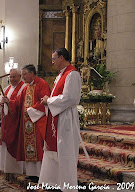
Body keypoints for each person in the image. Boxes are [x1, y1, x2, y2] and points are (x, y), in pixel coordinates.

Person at [39, 48, 81, 191]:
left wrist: (49, 101)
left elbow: (71, 98)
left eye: (53, 59)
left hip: (66, 118)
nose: (52, 62)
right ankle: (54, 182)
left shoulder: (72, 74)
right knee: (56, 151)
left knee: (66, 152)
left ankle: (67, 186)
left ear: (61, 58)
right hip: (58, 116)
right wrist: (48, 101)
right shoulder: (61, 75)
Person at [0, 64, 50, 183]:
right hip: (27, 124)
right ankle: (32, 173)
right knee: (29, 148)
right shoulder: (27, 87)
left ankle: (39, 173)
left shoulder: (42, 84)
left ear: (32, 73)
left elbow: (45, 100)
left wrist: (31, 110)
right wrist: (8, 102)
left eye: (24, 75)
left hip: (37, 122)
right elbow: (18, 102)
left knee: (38, 147)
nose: (23, 78)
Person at [0, 68, 27, 174]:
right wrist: (1, 103)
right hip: (7, 123)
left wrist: (10, 102)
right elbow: (0, 99)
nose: (12, 79)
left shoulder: (24, 87)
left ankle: (16, 169)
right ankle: (6, 168)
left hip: (16, 122)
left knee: (15, 144)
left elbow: (21, 103)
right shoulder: (7, 88)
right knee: (5, 144)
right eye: (11, 77)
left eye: (14, 76)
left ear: (20, 76)